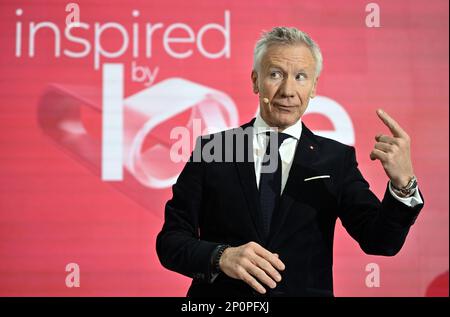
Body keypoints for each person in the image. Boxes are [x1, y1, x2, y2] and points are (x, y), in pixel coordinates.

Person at [156, 26, 424, 297]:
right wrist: (220, 256)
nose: (288, 90)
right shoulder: (213, 149)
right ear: (255, 81)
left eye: (300, 77)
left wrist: (404, 184)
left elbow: (380, 241)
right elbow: (170, 242)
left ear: (314, 87)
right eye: (275, 74)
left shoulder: (335, 160)